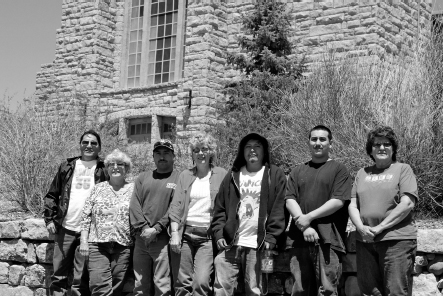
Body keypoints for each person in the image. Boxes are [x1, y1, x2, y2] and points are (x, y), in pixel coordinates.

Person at [211, 133, 287, 296]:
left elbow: (280, 207)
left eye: (257, 146)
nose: (252, 150)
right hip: (231, 244)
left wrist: (272, 236)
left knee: (255, 290)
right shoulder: (232, 175)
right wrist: (218, 234)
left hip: (259, 246)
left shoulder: (274, 174)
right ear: (242, 151)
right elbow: (219, 208)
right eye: (248, 146)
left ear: (264, 151)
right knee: (221, 290)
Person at [348, 126, 418, 296]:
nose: (381, 148)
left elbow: (407, 203)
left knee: (395, 291)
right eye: (376, 144)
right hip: (365, 240)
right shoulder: (362, 173)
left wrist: (380, 228)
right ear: (370, 150)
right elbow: (352, 204)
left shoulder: (403, 169)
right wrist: (360, 228)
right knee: (370, 291)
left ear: (393, 149)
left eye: (386, 144)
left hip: (396, 240)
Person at [285, 125, 351, 296]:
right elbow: (289, 199)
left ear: (330, 143)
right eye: (314, 139)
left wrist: (309, 218)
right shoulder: (297, 171)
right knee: (299, 289)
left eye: (322, 139)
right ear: (308, 142)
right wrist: (304, 226)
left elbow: (338, 201)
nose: (318, 143)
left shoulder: (339, 170)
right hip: (298, 239)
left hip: (328, 240)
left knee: (327, 290)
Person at [44, 130, 108, 296]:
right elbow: (52, 194)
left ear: (99, 147)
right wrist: (49, 219)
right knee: (58, 275)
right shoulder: (67, 166)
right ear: (80, 145)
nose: (89, 146)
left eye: (93, 143)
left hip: (89, 232)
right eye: (85, 142)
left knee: (81, 278)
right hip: (66, 228)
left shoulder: (104, 168)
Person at [169, 133, 227, 296]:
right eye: (196, 150)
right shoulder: (185, 175)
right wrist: (174, 234)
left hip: (207, 238)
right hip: (185, 235)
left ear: (211, 152)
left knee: (201, 282)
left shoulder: (221, 174)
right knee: (182, 283)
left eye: (204, 149)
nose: (200, 153)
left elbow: (227, 207)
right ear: (192, 154)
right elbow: (176, 207)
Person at [79, 149, 134, 296]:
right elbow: (85, 216)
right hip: (97, 245)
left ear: (126, 168)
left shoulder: (134, 190)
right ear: (107, 168)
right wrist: (84, 241)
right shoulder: (98, 189)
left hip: (123, 246)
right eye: (111, 164)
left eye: (120, 164)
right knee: (99, 286)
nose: (115, 167)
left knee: (117, 287)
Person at [130, 139, 180, 296]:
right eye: (158, 153)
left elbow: (176, 207)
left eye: (166, 153)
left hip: (163, 239)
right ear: (153, 156)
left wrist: (157, 229)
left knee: (162, 285)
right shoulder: (143, 177)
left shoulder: (179, 178)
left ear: (173, 156)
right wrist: (145, 229)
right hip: (141, 238)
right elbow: (134, 205)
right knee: (139, 285)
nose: (162, 157)